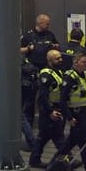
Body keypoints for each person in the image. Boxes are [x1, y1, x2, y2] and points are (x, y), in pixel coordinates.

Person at [20, 13, 60, 149]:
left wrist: (55, 47)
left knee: (45, 100)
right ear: (39, 23)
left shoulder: (50, 35)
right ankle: (29, 136)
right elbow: (18, 50)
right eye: (46, 23)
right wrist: (28, 49)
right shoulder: (28, 36)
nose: (48, 25)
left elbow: (57, 46)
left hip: (47, 75)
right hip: (31, 75)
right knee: (29, 105)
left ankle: (46, 127)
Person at [55, 52, 86, 171]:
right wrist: (69, 118)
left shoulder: (83, 75)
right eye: (84, 62)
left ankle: (55, 165)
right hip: (76, 115)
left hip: (84, 113)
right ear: (76, 62)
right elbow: (62, 101)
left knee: (70, 143)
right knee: (84, 144)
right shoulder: (69, 77)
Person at [29, 49, 66, 168]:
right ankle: (68, 157)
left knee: (43, 137)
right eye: (57, 58)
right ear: (49, 60)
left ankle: (34, 160)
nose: (60, 60)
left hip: (56, 108)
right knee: (58, 137)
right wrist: (50, 111)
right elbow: (42, 97)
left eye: (60, 57)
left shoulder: (58, 72)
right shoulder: (46, 75)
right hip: (49, 110)